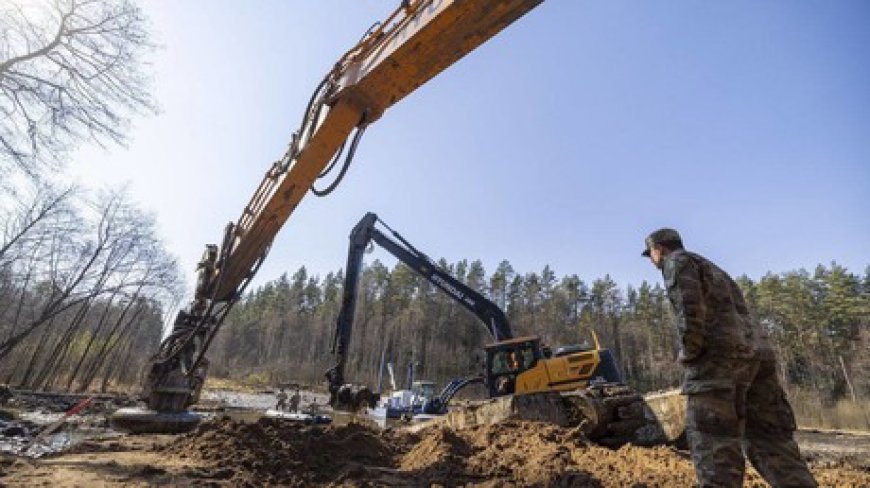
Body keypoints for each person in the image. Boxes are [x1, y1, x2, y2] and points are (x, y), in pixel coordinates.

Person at [642, 228, 816, 487]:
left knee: (715, 448)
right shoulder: (715, 269)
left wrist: (690, 351)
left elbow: (688, 310)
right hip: (757, 360)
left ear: (659, 249)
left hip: (718, 363)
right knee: (773, 444)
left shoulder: (676, 262)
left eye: (651, 255)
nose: (652, 260)